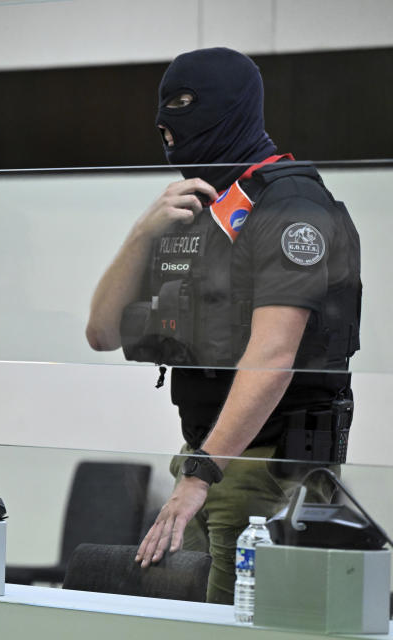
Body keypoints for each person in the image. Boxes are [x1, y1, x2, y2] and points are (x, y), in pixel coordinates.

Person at [85, 48, 361, 603]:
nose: (169, 125)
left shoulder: (291, 204)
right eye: (165, 108)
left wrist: (200, 475)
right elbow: (102, 332)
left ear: (234, 107)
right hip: (206, 463)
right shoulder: (199, 206)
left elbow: (274, 356)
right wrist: (143, 230)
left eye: (186, 105)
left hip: (264, 469)